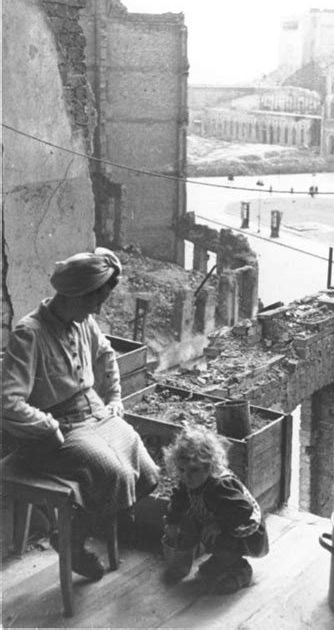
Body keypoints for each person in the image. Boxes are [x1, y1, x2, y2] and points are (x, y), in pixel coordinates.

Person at [2, 248, 161, 580]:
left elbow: (106, 356)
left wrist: (114, 397)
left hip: (94, 414)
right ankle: (72, 540)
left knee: (147, 471)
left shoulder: (83, 320)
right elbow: (8, 401)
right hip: (54, 431)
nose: (98, 310)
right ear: (74, 294)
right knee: (112, 473)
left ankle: (73, 532)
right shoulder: (29, 334)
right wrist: (47, 425)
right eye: (94, 301)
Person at [163, 426, 269, 594]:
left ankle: (241, 571)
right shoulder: (189, 481)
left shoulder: (220, 486)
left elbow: (243, 509)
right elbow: (179, 498)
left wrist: (218, 525)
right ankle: (220, 560)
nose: (187, 476)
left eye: (194, 470)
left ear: (209, 466)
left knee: (220, 540)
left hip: (242, 529)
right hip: (218, 519)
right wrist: (172, 520)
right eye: (182, 470)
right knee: (191, 523)